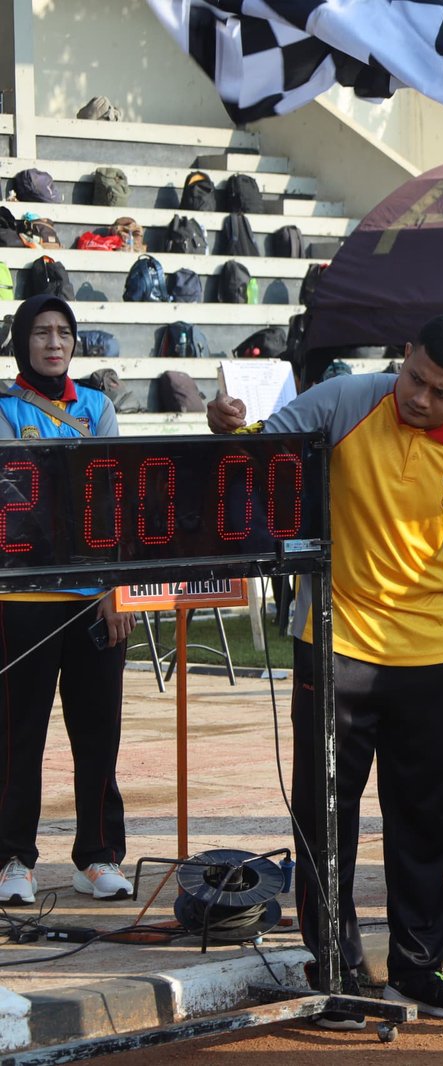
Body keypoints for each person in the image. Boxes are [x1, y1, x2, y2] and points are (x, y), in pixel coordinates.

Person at [207, 314, 443, 1024]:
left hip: (431, 656)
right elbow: (257, 451)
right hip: (333, 644)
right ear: (405, 355)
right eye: (415, 378)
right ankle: (336, 970)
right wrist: (226, 424)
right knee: (326, 817)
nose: (421, 398)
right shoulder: (343, 401)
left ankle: (420, 969)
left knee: (426, 823)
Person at [0, 294, 135, 906]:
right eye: (41, 332)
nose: (54, 343)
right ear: (21, 341)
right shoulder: (4, 407)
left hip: (91, 598)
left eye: (63, 332)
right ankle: (12, 858)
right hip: (22, 596)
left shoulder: (98, 407)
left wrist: (113, 588)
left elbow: (110, 501)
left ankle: (98, 855)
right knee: (17, 735)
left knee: (98, 732)